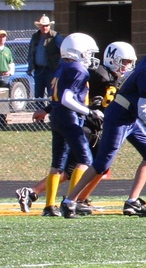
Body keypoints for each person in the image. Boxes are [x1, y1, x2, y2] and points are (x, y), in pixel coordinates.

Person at [60, 35, 146, 218]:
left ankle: (132, 202)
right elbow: (144, 110)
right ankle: (70, 201)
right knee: (102, 164)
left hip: (130, 117)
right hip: (119, 118)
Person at [17, 42, 137, 216]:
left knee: (87, 167)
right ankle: (70, 199)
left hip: (93, 125)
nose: (126, 66)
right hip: (84, 124)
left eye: (129, 62)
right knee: (79, 167)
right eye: (124, 62)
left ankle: (61, 197)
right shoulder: (96, 74)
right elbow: (71, 95)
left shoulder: (111, 76)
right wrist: (87, 110)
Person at [36, 33, 103, 217]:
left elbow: (59, 98)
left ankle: (49, 207)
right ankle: (71, 203)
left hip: (57, 117)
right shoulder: (78, 69)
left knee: (57, 164)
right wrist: (89, 111)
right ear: (78, 52)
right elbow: (67, 98)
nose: (90, 57)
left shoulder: (62, 67)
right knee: (86, 160)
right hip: (69, 117)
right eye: (88, 53)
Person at [27, 15, 64, 104]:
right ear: (40, 26)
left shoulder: (55, 36)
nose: (45, 27)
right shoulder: (35, 37)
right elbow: (31, 52)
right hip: (38, 70)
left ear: (49, 26)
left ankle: (52, 116)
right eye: (43, 26)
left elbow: (63, 51)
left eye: (47, 25)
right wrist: (30, 67)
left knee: (52, 94)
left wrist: (59, 67)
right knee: (38, 95)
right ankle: (39, 116)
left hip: (51, 69)